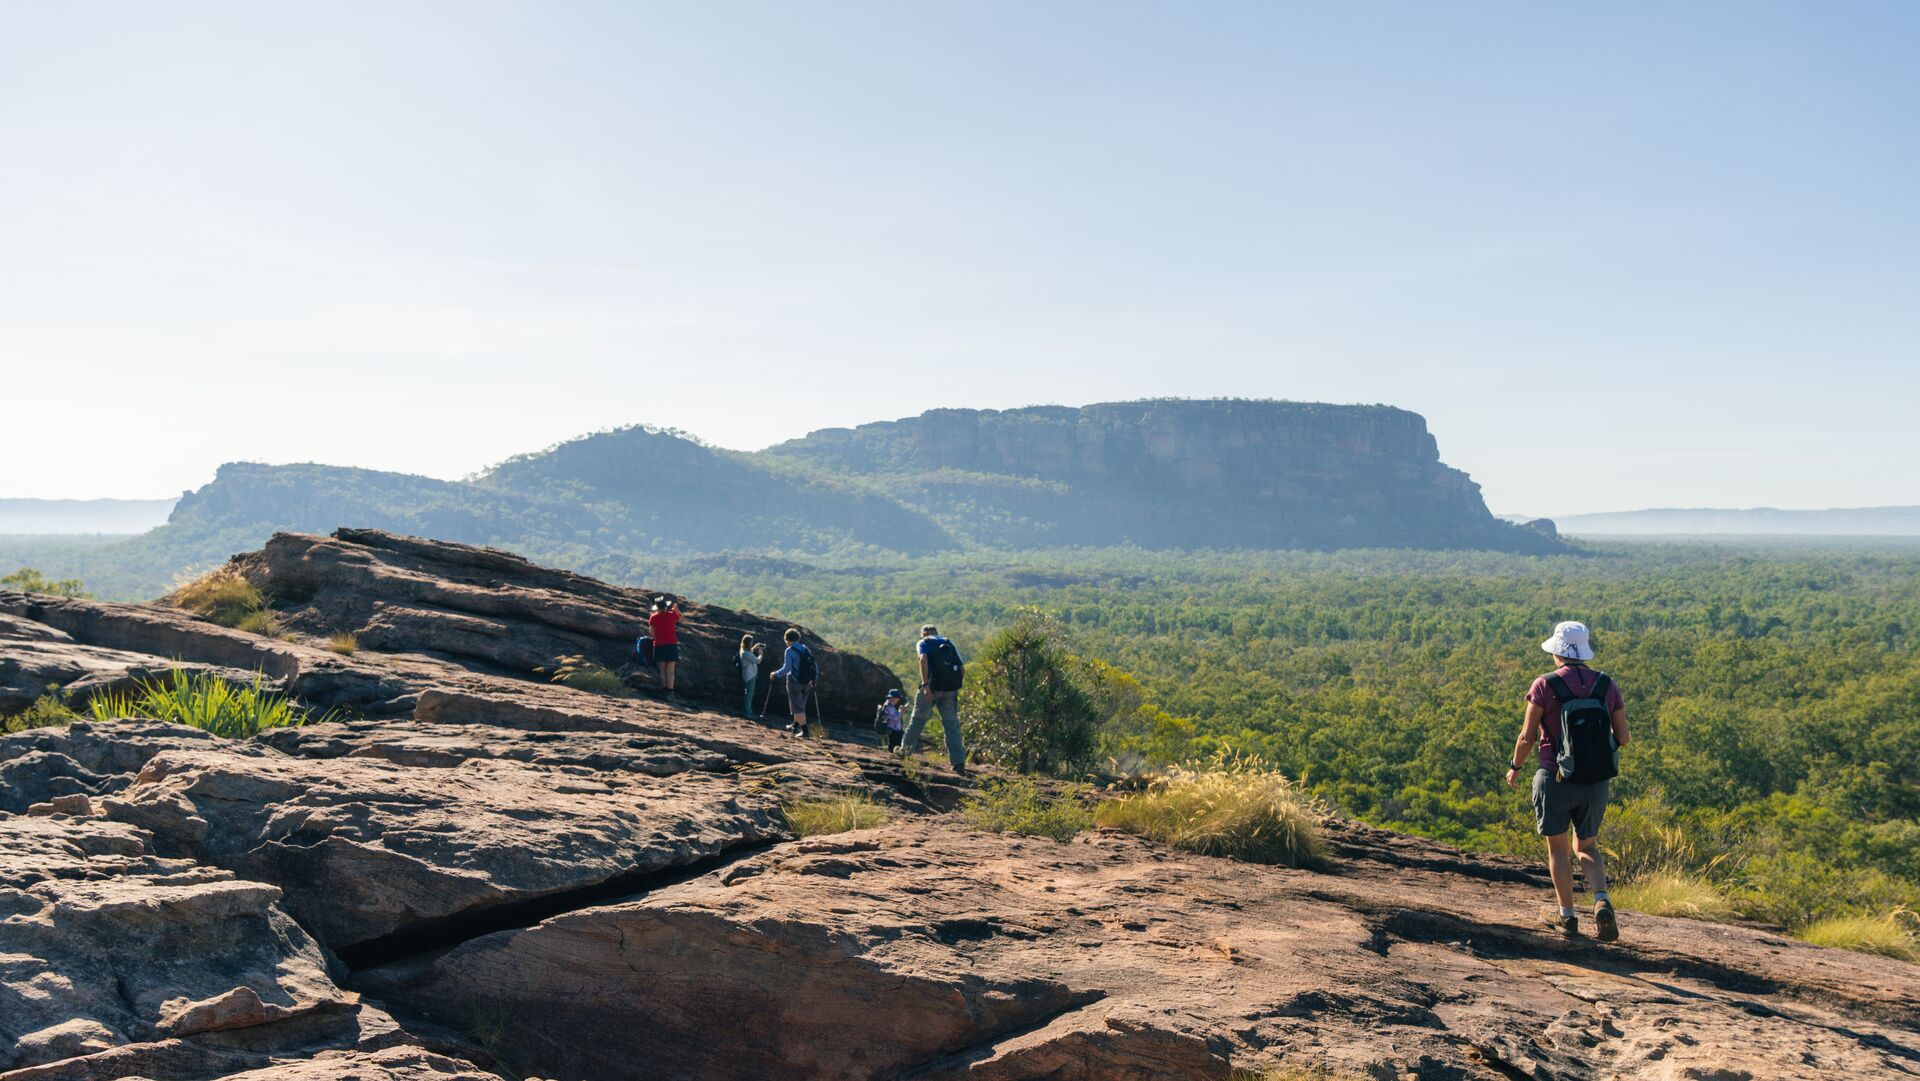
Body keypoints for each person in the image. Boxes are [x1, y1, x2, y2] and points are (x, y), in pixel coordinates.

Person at [1506, 620, 1630, 941]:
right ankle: (1601, 899)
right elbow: (1624, 737)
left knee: (1558, 850)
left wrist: (1515, 767)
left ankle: (1568, 916)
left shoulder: (1545, 686)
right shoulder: (1606, 685)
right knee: (1586, 846)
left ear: (1558, 651)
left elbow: (1527, 736)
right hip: (1595, 781)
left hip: (1555, 777)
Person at [903, 624, 967, 772]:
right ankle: (958, 763)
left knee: (917, 720)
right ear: (937, 633)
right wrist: (952, 687)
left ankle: (905, 753)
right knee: (951, 725)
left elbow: (923, 659)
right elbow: (962, 669)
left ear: (922, 634)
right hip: (950, 690)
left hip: (931, 688)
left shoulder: (924, 642)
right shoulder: (948, 642)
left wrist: (925, 685)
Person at [768, 628, 816, 737]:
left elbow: (786, 669)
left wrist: (775, 674)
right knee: (800, 704)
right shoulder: (805, 649)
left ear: (787, 640)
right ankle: (795, 726)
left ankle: (805, 731)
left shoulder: (789, 650)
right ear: (798, 638)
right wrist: (814, 679)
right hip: (807, 681)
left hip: (794, 682)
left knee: (797, 706)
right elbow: (814, 665)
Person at [648, 598, 681, 695]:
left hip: (659, 645)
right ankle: (670, 691)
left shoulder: (653, 617)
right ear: (665, 606)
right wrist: (676, 609)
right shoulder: (671, 615)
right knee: (670, 670)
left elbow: (652, 634)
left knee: (662, 670)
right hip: (671, 644)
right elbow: (682, 620)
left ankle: (663, 690)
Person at [737, 636, 763, 717]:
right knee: (749, 694)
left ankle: (746, 710)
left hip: (748, 675)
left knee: (747, 693)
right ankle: (748, 712)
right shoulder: (746, 653)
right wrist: (761, 655)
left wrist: (754, 648)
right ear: (748, 643)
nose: (752, 643)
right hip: (750, 676)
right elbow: (757, 661)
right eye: (751, 642)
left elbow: (749, 653)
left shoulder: (743, 651)